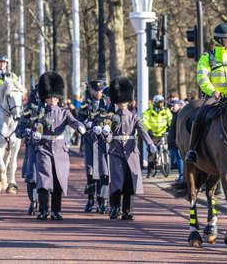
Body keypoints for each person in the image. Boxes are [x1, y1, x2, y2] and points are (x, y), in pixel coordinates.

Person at [185, 22, 227, 164]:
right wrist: (212, 91)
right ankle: (193, 149)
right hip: (216, 98)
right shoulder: (207, 57)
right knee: (199, 115)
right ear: (220, 40)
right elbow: (202, 78)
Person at [32, 72, 86, 220]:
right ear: (45, 98)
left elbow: (73, 121)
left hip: (60, 150)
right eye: (50, 97)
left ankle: (55, 210)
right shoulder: (39, 112)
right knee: (44, 179)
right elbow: (32, 128)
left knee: (57, 180)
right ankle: (43, 210)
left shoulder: (64, 112)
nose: (52, 100)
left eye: (55, 97)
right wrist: (34, 135)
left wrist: (80, 127)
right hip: (43, 147)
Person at [103, 77, 156, 220]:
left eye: (124, 101)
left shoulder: (134, 116)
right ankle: (114, 208)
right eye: (120, 101)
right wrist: (106, 132)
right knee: (116, 181)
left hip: (131, 151)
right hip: (115, 151)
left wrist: (150, 144)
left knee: (129, 181)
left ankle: (127, 210)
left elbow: (142, 130)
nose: (122, 104)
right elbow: (108, 139)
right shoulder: (111, 116)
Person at [77, 79, 109, 213]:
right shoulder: (85, 104)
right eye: (96, 90)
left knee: (104, 172)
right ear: (91, 91)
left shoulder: (107, 104)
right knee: (90, 172)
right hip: (90, 141)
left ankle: (102, 200)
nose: (98, 93)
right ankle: (90, 199)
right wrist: (86, 124)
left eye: (101, 90)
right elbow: (78, 120)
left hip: (103, 141)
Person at [16, 85, 39, 215]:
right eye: (37, 93)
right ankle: (33, 201)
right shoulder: (28, 110)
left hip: (47, 147)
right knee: (32, 176)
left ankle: (45, 204)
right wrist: (26, 132)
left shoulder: (50, 109)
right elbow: (18, 131)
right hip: (32, 148)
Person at [142, 95, 172, 177]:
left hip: (163, 134)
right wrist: (148, 129)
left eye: (162, 102)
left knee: (165, 147)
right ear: (155, 103)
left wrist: (170, 126)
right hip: (153, 135)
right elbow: (144, 120)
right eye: (160, 102)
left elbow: (170, 119)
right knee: (152, 153)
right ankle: (150, 170)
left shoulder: (166, 111)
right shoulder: (149, 111)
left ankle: (165, 164)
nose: (162, 104)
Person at [168, 100, 185, 182]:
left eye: (173, 106)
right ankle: (181, 176)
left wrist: (177, 140)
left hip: (177, 141)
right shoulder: (175, 114)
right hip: (174, 140)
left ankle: (182, 176)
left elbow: (179, 129)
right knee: (178, 159)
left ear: (179, 105)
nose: (171, 108)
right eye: (171, 106)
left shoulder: (179, 114)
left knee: (179, 159)